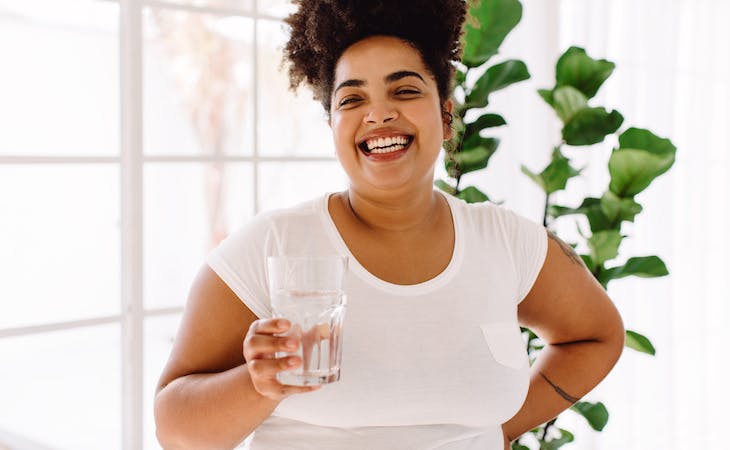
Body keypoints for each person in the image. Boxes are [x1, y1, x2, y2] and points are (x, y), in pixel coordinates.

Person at [153, 1, 625, 449]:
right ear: (333, 124)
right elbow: (175, 429)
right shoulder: (272, 244)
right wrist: (258, 385)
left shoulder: (506, 241)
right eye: (352, 98)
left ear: (445, 113)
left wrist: (501, 429)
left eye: (404, 90)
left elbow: (597, 337)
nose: (378, 114)